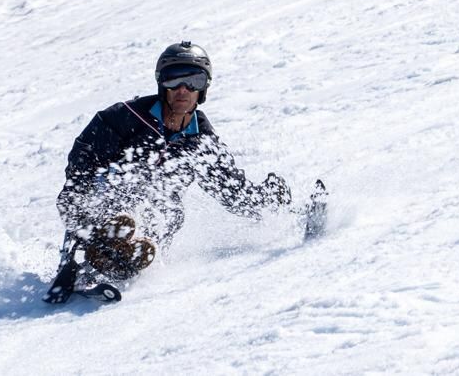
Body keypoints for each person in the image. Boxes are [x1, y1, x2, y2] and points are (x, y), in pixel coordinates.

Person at [44, 41, 304, 304]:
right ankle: (93, 252)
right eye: (174, 80)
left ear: (204, 88)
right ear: (161, 84)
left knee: (168, 208)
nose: (183, 89)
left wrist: (277, 209)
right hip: (99, 213)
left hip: (155, 220)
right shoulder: (123, 118)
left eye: (194, 80)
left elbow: (233, 191)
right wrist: (79, 232)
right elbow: (79, 177)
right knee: (125, 182)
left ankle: (130, 261)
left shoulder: (202, 140)